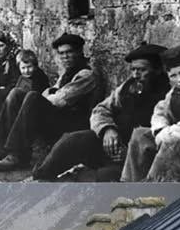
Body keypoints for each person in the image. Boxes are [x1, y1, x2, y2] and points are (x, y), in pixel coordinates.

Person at [33, 42, 170, 181]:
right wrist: (108, 130)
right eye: (133, 69)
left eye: (141, 70)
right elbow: (101, 109)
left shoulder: (169, 96)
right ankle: (42, 178)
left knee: (101, 177)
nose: (135, 75)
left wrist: (131, 153)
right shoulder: (128, 87)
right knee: (71, 140)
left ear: (158, 70)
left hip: (135, 162)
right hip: (110, 145)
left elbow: (165, 142)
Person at [0, 33, 105, 172]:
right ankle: (2, 146)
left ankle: (17, 154)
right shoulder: (67, 73)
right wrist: (45, 95)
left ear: (79, 52)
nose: (65, 57)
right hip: (59, 116)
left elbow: (59, 99)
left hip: (72, 124)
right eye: (62, 53)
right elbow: (51, 91)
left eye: (69, 52)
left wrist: (39, 98)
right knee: (16, 93)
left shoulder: (86, 75)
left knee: (32, 97)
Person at [121, 45, 180, 182]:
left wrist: (165, 134)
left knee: (172, 143)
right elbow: (160, 111)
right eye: (174, 75)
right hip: (174, 137)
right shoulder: (175, 92)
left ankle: (152, 185)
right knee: (140, 135)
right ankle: (129, 182)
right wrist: (159, 130)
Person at [0, 48, 49, 161]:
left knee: (15, 95)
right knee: (12, 96)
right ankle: (1, 144)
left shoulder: (39, 77)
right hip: (23, 107)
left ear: (35, 66)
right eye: (23, 68)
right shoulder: (22, 78)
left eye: (29, 67)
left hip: (36, 111)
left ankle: (12, 150)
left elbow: (35, 97)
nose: (26, 71)